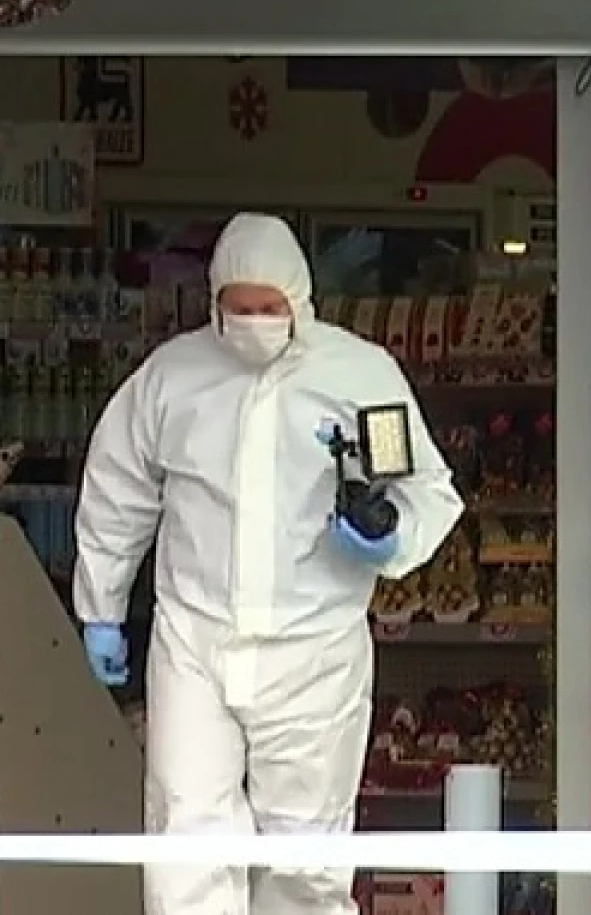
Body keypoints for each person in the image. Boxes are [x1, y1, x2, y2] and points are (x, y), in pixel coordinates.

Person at [71, 212, 464, 915]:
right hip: (196, 640)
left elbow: (427, 490)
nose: (253, 321)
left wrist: (389, 536)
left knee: (306, 858)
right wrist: (100, 607)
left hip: (314, 649)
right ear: (215, 301)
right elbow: (117, 490)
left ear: (299, 299)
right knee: (187, 842)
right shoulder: (171, 378)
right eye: (239, 308)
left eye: (268, 307)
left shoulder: (359, 374)